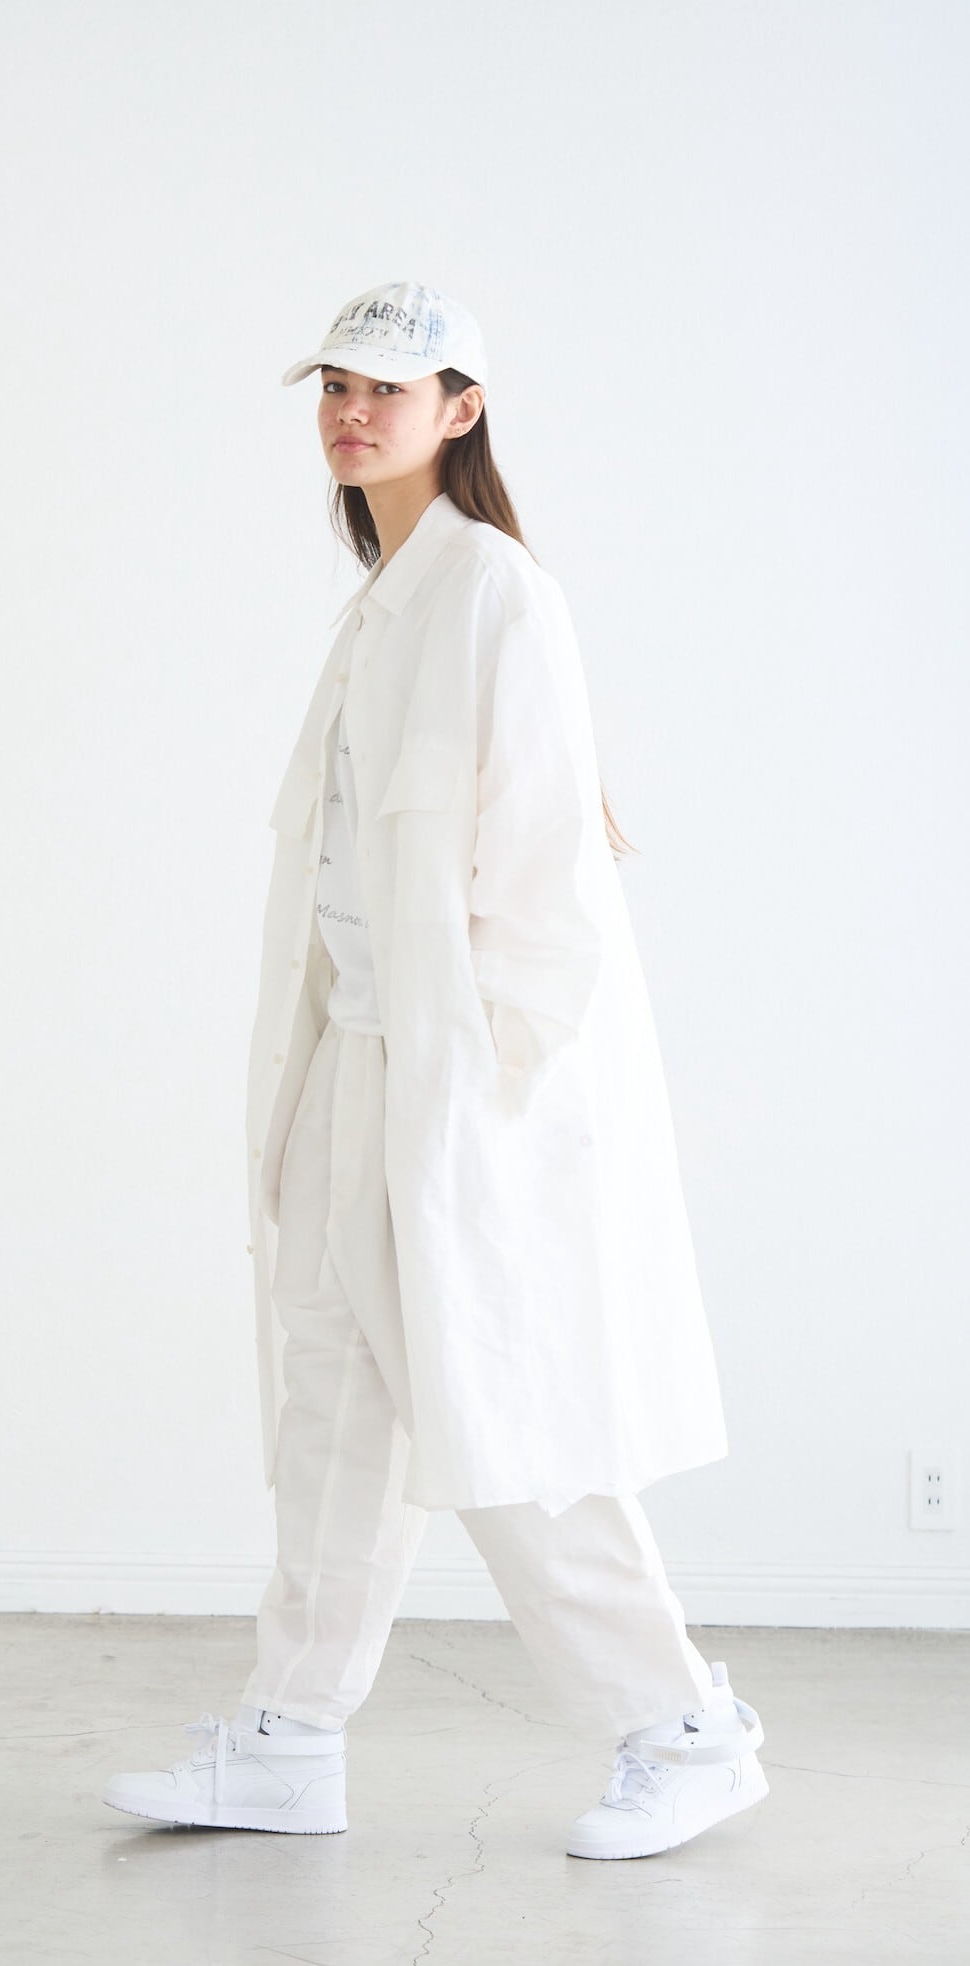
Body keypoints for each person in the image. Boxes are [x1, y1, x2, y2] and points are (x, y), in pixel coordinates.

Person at [103, 279, 768, 1860]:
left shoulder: (492, 595)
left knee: (504, 1411)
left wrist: (484, 1107)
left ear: (460, 410)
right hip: (350, 1070)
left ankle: (682, 1728)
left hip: (453, 1093)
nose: (351, 414)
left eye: (386, 391)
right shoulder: (380, 605)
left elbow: (544, 886)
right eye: (334, 388)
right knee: (333, 1412)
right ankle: (288, 1737)